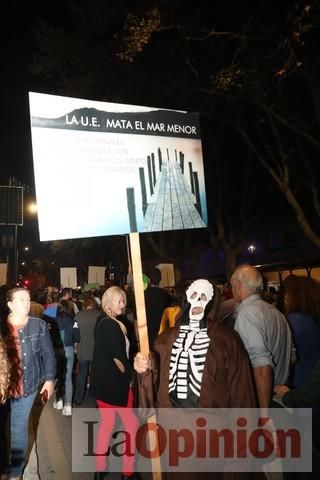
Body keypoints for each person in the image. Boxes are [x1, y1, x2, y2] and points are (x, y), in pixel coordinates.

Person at [134, 279, 258, 480]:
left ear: (212, 302)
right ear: (185, 300)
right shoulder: (165, 340)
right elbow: (148, 398)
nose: (198, 302)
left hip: (211, 438)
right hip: (171, 434)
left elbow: (242, 399)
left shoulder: (227, 341)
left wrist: (240, 458)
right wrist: (143, 370)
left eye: (203, 297)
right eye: (193, 296)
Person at [2, 287, 56, 479]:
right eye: (21, 300)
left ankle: (16, 473)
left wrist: (49, 379)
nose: (27, 303)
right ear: (10, 304)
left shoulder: (38, 326)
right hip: (2, 388)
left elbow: (48, 354)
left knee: (18, 430)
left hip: (27, 387)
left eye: (28, 299)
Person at [90, 286, 139, 480]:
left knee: (107, 425)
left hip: (104, 385)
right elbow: (118, 359)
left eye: (124, 300)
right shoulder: (110, 325)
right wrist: (131, 375)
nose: (123, 304)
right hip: (116, 386)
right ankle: (128, 471)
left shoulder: (103, 322)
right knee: (132, 425)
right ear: (108, 302)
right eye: (119, 300)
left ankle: (100, 468)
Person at [230, 265, 293, 409]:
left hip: (263, 402)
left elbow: (262, 367)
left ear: (237, 284)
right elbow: (292, 357)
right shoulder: (276, 313)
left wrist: (263, 416)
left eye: (231, 285)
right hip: (280, 399)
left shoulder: (247, 314)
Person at [279, 275, 320, 388]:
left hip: (299, 381)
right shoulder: (313, 316)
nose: (285, 299)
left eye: (287, 294)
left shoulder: (294, 320)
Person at [53, 300, 80, 416]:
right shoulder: (74, 322)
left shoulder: (54, 321)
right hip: (69, 350)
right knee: (68, 378)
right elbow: (78, 337)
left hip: (57, 351)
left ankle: (59, 401)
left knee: (58, 376)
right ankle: (68, 406)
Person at [73, 297, 100, 405]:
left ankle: (78, 398)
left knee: (81, 374)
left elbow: (75, 333)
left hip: (82, 350)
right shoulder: (100, 315)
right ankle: (97, 398)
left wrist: (77, 341)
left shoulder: (78, 316)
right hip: (97, 351)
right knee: (96, 374)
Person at [144, 267, 172, 347]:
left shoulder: (143, 296)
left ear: (149, 279)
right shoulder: (166, 296)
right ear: (160, 279)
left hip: (146, 335)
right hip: (163, 334)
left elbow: (136, 319)